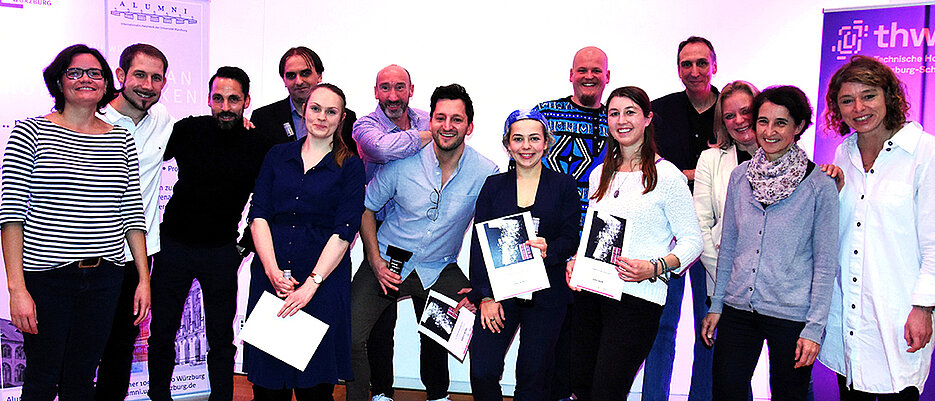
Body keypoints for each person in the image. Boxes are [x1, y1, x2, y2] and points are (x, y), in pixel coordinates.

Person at [0, 44, 148, 400]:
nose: (86, 79)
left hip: (105, 278)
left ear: (106, 83)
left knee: (82, 380)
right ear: (59, 81)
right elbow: (11, 217)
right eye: (75, 72)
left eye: (95, 73)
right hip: (47, 279)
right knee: (41, 380)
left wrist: (143, 278)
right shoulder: (29, 133)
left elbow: (132, 214)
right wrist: (17, 289)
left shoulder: (120, 137)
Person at [347, 84, 498, 401]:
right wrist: (374, 260)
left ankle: (438, 394)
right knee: (351, 334)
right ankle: (368, 396)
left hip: (440, 266)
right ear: (429, 122)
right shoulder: (402, 163)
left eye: (456, 119)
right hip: (388, 260)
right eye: (440, 117)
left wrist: (484, 290)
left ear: (469, 126)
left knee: (453, 330)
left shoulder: (486, 172)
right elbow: (366, 206)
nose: (447, 126)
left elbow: (492, 231)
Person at [700, 85, 839, 401]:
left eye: (781, 122)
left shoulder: (819, 185)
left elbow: (825, 263)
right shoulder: (740, 176)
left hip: (791, 316)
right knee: (727, 392)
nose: (769, 131)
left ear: (798, 127)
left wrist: (814, 329)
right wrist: (717, 304)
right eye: (763, 121)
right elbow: (730, 248)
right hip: (738, 309)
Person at [147, 66, 275, 401]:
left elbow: (268, 201)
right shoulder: (189, 129)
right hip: (173, 245)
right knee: (162, 333)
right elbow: (145, 157)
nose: (225, 106)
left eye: (234, 99)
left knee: (221, 337)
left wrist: (243, 247)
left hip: (220, 251)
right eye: (218, 98)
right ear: (208, 99)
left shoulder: (258, 144)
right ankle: (159, 396)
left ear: (246, 101)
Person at [566, 86, 703, 400]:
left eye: (630, 112)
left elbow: (692, 241)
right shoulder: (599, 173)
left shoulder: (667, 176)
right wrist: (576, 260)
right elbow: (596, 232)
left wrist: (654, 267)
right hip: (592, 292)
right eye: (614, 113)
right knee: (581, 387)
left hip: (637, 300)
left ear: (647, 118)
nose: (621, 120)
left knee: (607, 391)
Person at [817, 55, 935, 400]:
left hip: (898, 311)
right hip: (849, 315)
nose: (859, 108)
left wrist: (924, 307)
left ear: (889, 96)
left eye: (868, 95)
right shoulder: (844, 154)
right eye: (847, 100)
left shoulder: (923, 152)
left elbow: (933, 240)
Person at [243, 83, 365, 400]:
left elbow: (345, 230)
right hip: (272, 281)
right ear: (304, 110)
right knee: (268, 389)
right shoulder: (277, 155)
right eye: (315, 108)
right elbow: (259, 215)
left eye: (331, 111)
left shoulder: (350, 165)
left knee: (314, 389)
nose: (321, 117)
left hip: (322, 286)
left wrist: (311, 284)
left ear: (341, 119)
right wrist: (271, 271)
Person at [467, 109, 578, 400]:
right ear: (508, 144)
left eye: (533, 138)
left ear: (546, 143)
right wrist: (486, 296)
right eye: (518, 139)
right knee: (483, 369)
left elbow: (571, 237)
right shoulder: (493, 186)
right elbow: (479, 245)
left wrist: (550, 250)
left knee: (534, 374)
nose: (526, 146)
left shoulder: (564, 186)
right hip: (501, 292)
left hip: (547, 292)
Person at [94, 43, 175, 401]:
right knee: (78, 349)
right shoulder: (91, 119)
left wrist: (242, 124)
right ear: (121, 76)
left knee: (120, 348)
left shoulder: (164, 122)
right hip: (86, 255)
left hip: (137, 258)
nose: (147, 84)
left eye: (156, 77)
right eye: (140, 75)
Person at [644, 35, 720, 401]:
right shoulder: (657, 112)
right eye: (686, 64)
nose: (694, 71)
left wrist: (684, 173)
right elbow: (649, 168)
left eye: (701, 63)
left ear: (714, 65)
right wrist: (697, 173)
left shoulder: (732, 111)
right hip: (668, 236)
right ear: (678, 69)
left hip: (717, 235)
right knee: (661, 327)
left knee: (710, 326)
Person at [533, 46, 609, 401]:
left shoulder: (617, 119)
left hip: (599, 243)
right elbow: (520, 160)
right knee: (546, 330)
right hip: (550, 240)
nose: (589, 76)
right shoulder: (545, 114)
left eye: (597, 70)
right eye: (582, 70)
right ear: (571, 74)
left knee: (584, 333)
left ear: (607, 76)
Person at [351, 64, 431, 401]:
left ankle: (438, 392)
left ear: (411, 89)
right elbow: (381, 150)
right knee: (380, 323)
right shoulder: (363, 125)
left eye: (400, 87)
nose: (393, 96)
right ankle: (382, 391)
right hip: (383, 230)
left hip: (426, 228)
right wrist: (428, 138)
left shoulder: (428, 118)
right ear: (375, 91)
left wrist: (434, 133)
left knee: (432, 321)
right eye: (385, 88)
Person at [251, 46, 358, 149]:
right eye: (291, 75)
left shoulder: (347, 119)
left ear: (319, 75)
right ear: (284, 80)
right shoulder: (263, 118)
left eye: (305, 73)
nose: (299, 81)